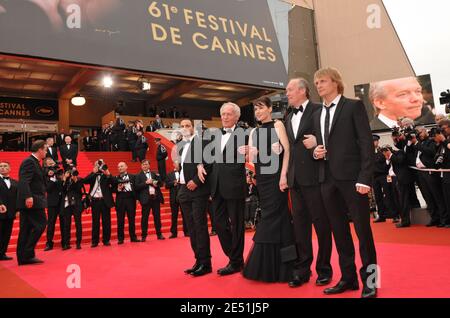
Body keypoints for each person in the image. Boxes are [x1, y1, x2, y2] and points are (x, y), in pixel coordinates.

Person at [310, 68, 377, 298]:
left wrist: (365, 178)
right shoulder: (318, 113)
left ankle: (371, 281)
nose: (318, 85)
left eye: (323, 81)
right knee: (339, 232)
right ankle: (348, 279)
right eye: (316, 82)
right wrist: (317, 151)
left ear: (336, 83)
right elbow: (324, 144)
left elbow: (366, 143)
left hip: (353, 179)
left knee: (363, 232)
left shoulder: (353, 106)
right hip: (327, 179)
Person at [241, 96, 298, 283]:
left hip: (277, 178)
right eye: (255, 109)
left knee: (278, 216)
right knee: (272, 217)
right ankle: (281, 266)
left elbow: (288, 151)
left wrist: (283, 175)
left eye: (261, 108)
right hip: (263, 180)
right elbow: (252, 160)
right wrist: (249, 154)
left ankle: (283, 265)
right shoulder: (254, 132)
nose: (258, 112)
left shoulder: (277, 125)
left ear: (269, 108)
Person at [284, 78, 333, 288]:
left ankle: (324, 269)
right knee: (300, 227)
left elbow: (331, 137)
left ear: (303, 90)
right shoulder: (287, 116)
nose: (287, 94)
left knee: (321, 225)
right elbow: (291, 147)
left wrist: (318, 145)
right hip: (295, 180)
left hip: (315, 177)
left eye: (290, 90)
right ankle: (302, 269)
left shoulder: (318, 109)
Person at [198, 102, 247, 276]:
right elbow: (207, 157)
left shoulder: (245, 133)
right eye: (223, 114)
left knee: (237, 225)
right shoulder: (215, 134)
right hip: (216, 186)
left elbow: (257, 150)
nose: (225, 117)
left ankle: (236, 261)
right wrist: (199, 165)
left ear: (237, 116)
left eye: (228, 114)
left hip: (235, 186)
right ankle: (234, 257)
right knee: (219, 224)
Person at [177, 119, 212, 277]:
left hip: (197, 190)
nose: (185, 128)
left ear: (193, 128)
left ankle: (206, 263)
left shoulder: (202, 142)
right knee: (191, 228)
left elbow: (209, 164)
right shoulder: (181, 146)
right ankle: (198, 260)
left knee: (200, 226)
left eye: (187, 126)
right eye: (182, 126)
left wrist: (196, 181)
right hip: (184, 190)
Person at [16, 140, 48, 266]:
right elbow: (24, 181)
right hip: (32, 201)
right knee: (41, 224)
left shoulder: (35, 162)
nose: (46, 152)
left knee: (26, 228)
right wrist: (28, 196)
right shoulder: (29, 162)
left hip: (33, 200)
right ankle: (27, 253)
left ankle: (24, 256)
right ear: (40, 149)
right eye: (45, 149)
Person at [369, 77, 435, 131]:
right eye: (403, 94)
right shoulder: (368, 134)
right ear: (380, 103)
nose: (416, 99)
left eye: (418, 91)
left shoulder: (421, 127)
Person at [83, 160, 114, 247]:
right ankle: (94, 241)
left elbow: (114, 182)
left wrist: (108, 173)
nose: (100, 166)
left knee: (106, 221)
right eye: (97, 164)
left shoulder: (106, 175)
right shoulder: (93, 175)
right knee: (95, 221)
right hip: (95, 201)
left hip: (105, 201)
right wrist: (93, 172)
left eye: (101, 164)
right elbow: (85, 181)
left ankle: (106, 240)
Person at [135, 160, 165, 241]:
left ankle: (159, 234)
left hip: (155, 198)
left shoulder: (154, 174)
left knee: (157, 217)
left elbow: (161, 183)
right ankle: (143, 236)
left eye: (146, 164)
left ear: (149, 165)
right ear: (141, 166)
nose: (144, 166)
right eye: (143, 164)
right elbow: (136, 187)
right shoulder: (138, 176)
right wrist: (146, 182)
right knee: (144, 218)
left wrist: (155, 183)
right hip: (145, 200)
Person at [113, 162, 139, 244]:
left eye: (121, 166)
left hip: (131, 200)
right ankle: (120, 238)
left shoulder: (133, 177)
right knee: (120, 220)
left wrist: (137, 199)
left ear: (126, 167)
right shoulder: (115, 178)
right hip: (120, 200)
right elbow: (112, 189)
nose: (120, 168)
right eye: (118, 166)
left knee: (132, 219)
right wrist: (117, 188)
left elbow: (136, 188)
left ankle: (133, 237)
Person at [60, 169, 84, 250]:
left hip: (77, 204)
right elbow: (62, 190)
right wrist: (64, 179)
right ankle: (66, 243)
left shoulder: (79, 180)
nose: (73, 174)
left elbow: (78, 190)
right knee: (67, 224)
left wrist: (75, 180)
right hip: (67, 204)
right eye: (71, 173)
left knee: (78, 224)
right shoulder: (66, 181)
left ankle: (78, 243)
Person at [43, 159, 63, 251]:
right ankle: (49, 243)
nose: (52, 165)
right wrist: (52, 179)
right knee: (51, 223)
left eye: (53, 163)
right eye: (50, 164)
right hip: (52, 202)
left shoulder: (59, 172)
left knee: (64, 222)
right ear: (46, 166)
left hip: (62, 201)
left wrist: (62, 178)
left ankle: (65, 242)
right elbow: (48, 189)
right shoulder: (45, 175)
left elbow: (62, 188)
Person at [0, 161, 18, 261]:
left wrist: (18, 210)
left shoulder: (15, 182)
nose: (2, 168)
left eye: (5, 166)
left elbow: (18, 197)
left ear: (9, 168)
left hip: (10, 213)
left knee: (7, 234)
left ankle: (2, 253)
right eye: (0, 166)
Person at [165, 163, 188, 238]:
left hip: (183, 197)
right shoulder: (169, 174)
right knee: (174, 216)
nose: (177, 165)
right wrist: (173, 183)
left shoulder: (184, 173)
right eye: (176, 164)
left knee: (185, 215)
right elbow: (166, 186)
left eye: (178, 164)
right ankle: (174, 233)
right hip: (173, 198)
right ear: (174, 165)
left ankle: (187, 231)